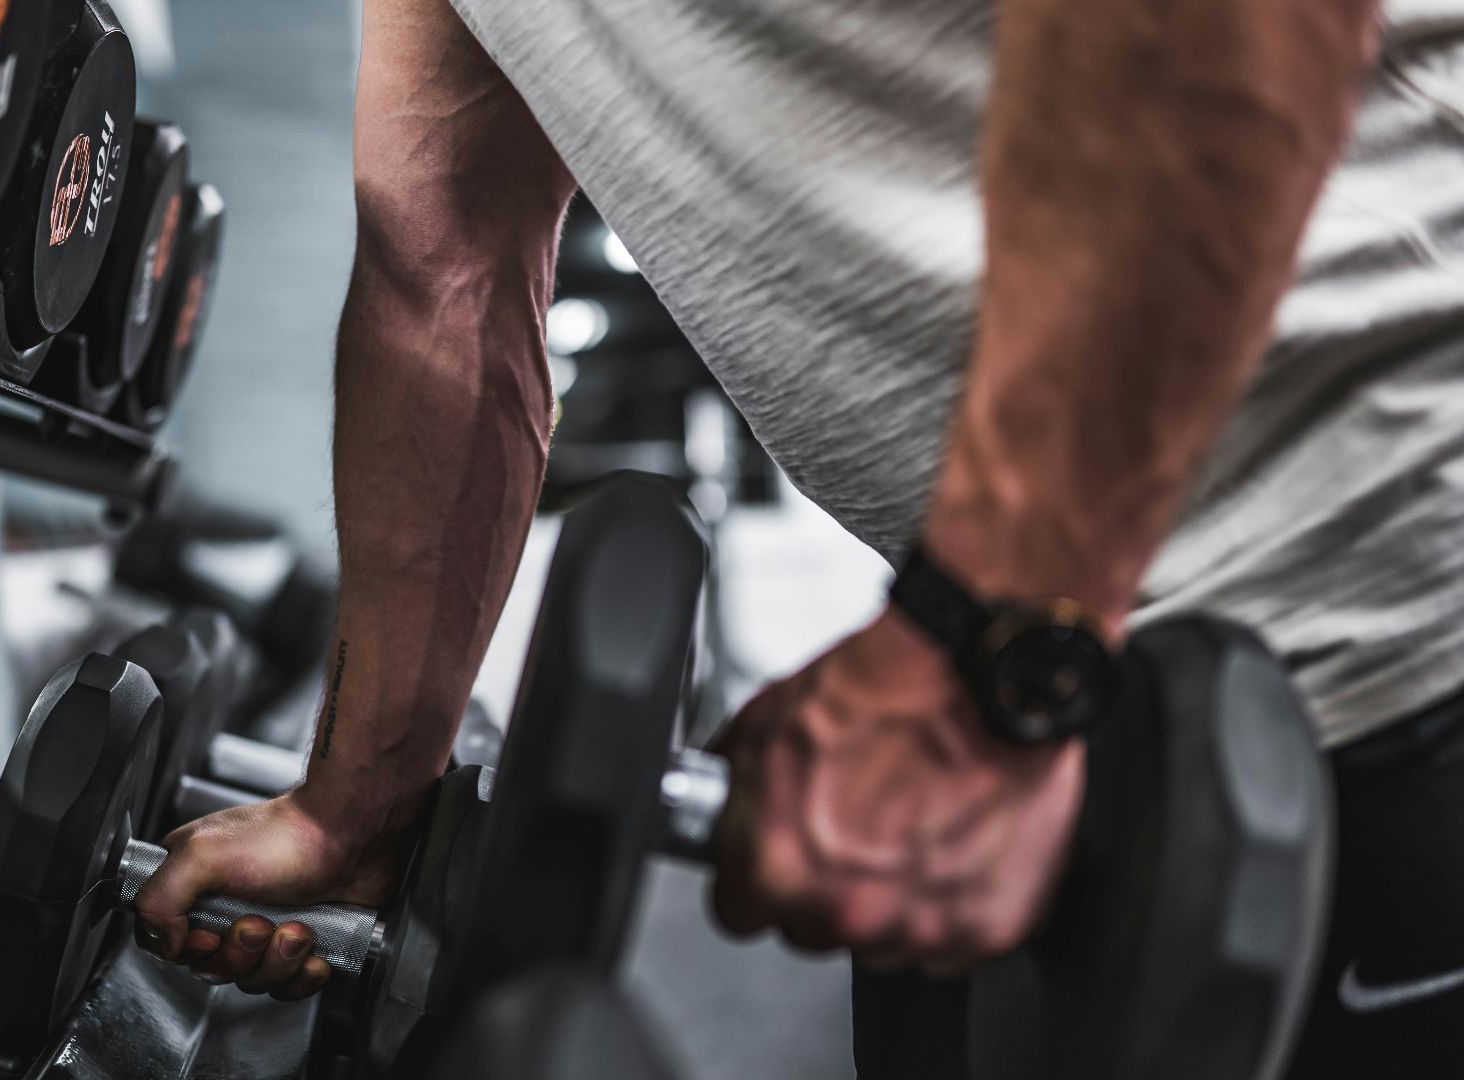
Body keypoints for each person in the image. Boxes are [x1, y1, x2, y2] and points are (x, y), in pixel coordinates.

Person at [137, 0, 1464, 1073]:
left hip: (1396, 605)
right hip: (1073, 672)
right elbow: (444, 277)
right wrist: (360, 802)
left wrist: (989, 649)